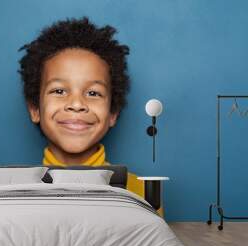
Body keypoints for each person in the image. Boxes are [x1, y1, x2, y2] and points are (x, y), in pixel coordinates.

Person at [18, 17, 162, 215]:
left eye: (93, 93)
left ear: (113, 113)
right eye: (59, 91)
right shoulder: (14, 194)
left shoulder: (143, 193)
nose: (77, 105)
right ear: (35, 109)